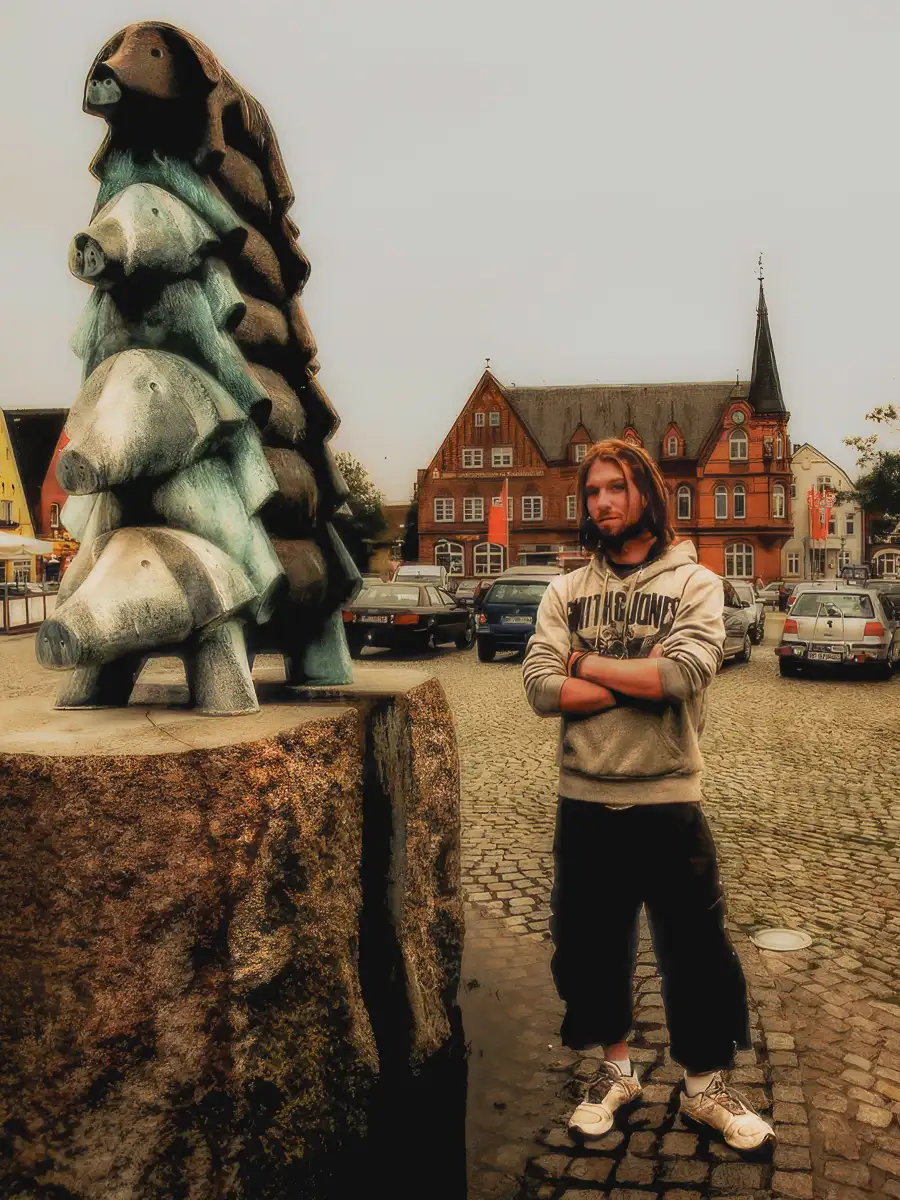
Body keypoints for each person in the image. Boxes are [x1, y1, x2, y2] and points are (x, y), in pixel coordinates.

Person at [522, 438, 774, 1153]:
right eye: (593, 491)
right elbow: (542, 688)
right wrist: (628, 673)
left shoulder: (695, 583)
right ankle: (616, 1072)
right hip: (584, 797)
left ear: (648, 494)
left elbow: (682, 676)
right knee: (591, 944)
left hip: (669, 797)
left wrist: (585, 664)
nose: (602, 502)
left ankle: (705, 1087)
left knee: (696, 949)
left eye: (617, 488)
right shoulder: (564, 591)